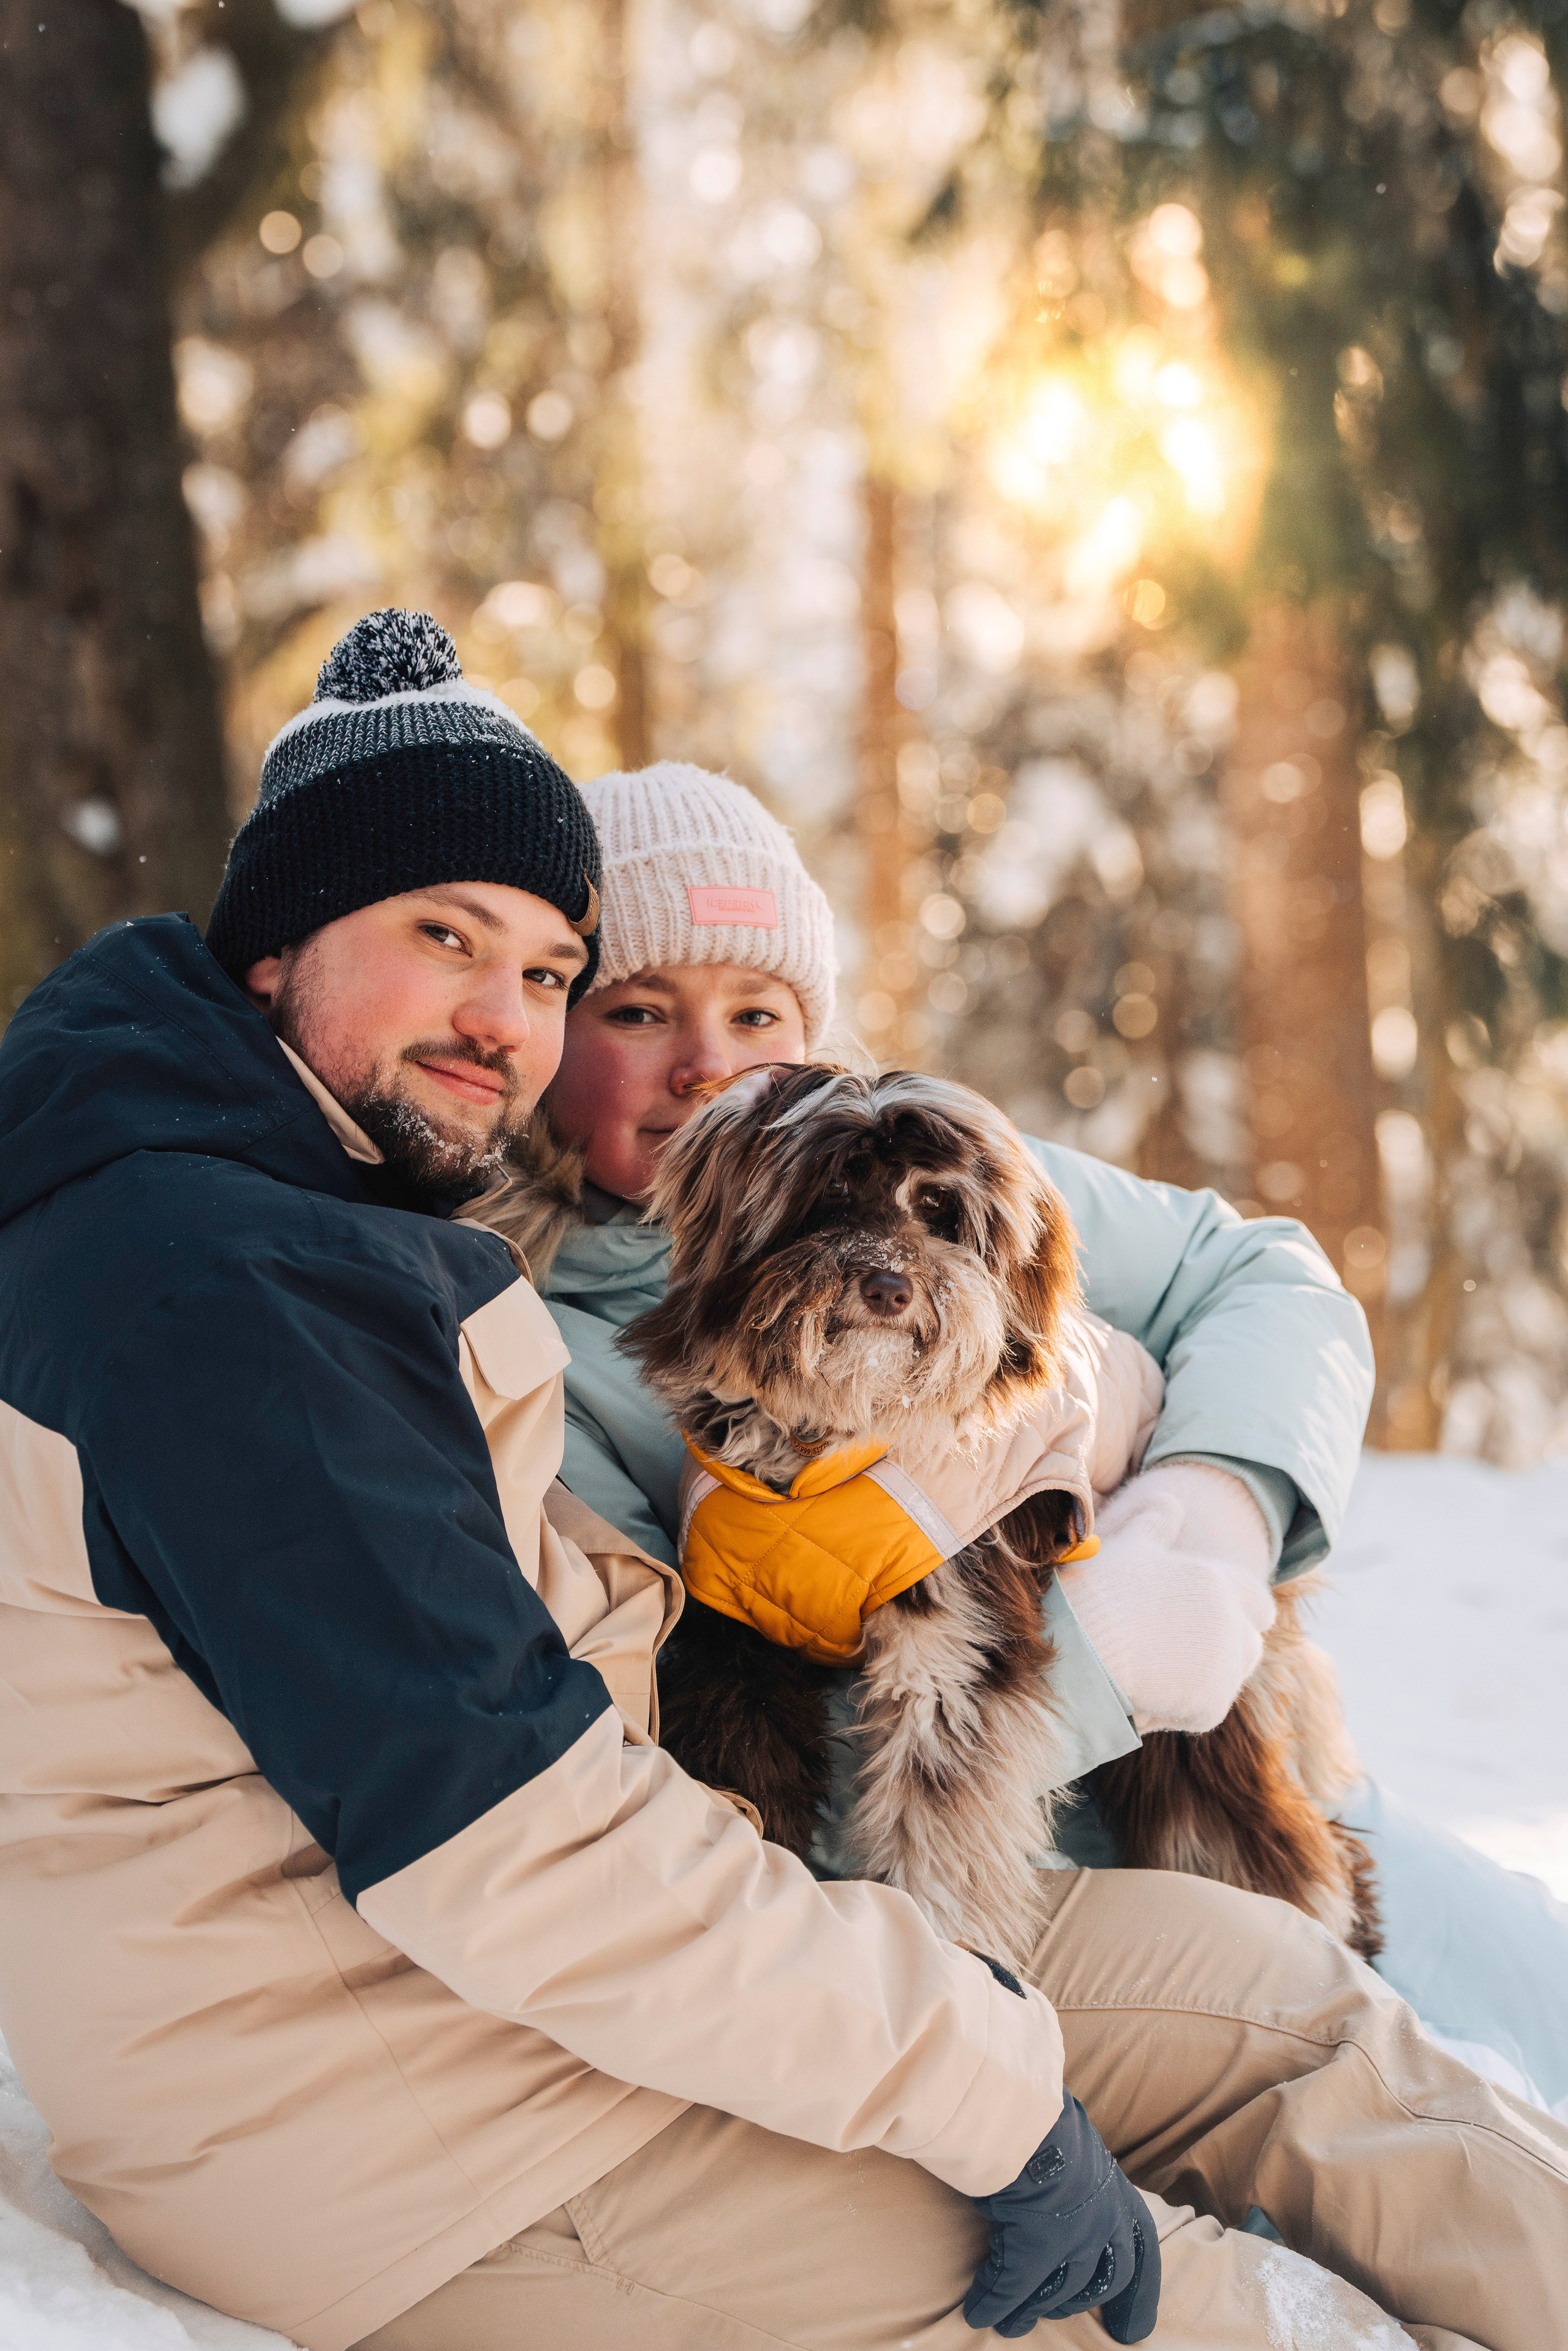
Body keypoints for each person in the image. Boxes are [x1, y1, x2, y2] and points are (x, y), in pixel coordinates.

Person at [0, 614, 1562, 2351]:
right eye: (446, 938)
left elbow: (1237, 1269)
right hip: (449, 2127)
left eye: (542, 967)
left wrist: (1199, 1505)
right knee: (1212, 2310)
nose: (502, 1018)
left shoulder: (307, 1195)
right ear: (275, 942)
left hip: (635, 1964)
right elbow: (523, 1844)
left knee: (1301, 2019)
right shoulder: (234, 1287)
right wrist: (985, 2082)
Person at [524, 757, 1568, 2123]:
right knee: (1410, 2148)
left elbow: (1264, 1276)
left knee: (1524, 1975)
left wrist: (1210, 1516)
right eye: (637, 1009)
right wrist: (1097, 1665)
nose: (708, 1063)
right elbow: (699, 1768)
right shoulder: (527, 1344)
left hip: (1257, 1788)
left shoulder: (928, 1169)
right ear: (548, 1023)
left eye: (757, 1012)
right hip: (989, 1911)